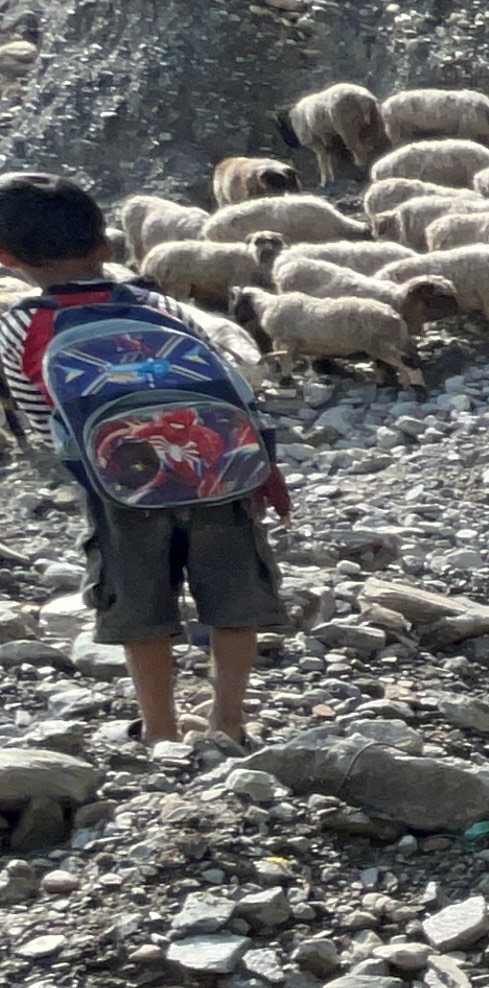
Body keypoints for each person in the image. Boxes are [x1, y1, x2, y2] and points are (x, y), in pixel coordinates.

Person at [0, 171, 289, 748]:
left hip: (119, 489)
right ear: (106, 244)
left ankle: (160, 728)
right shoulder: (158, 303)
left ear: (6, 258)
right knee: (235, 602)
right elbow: (223, 383)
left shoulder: (21, 324)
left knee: (141, 611)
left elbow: (39, 414)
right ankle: (228, 720)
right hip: (215, 474)